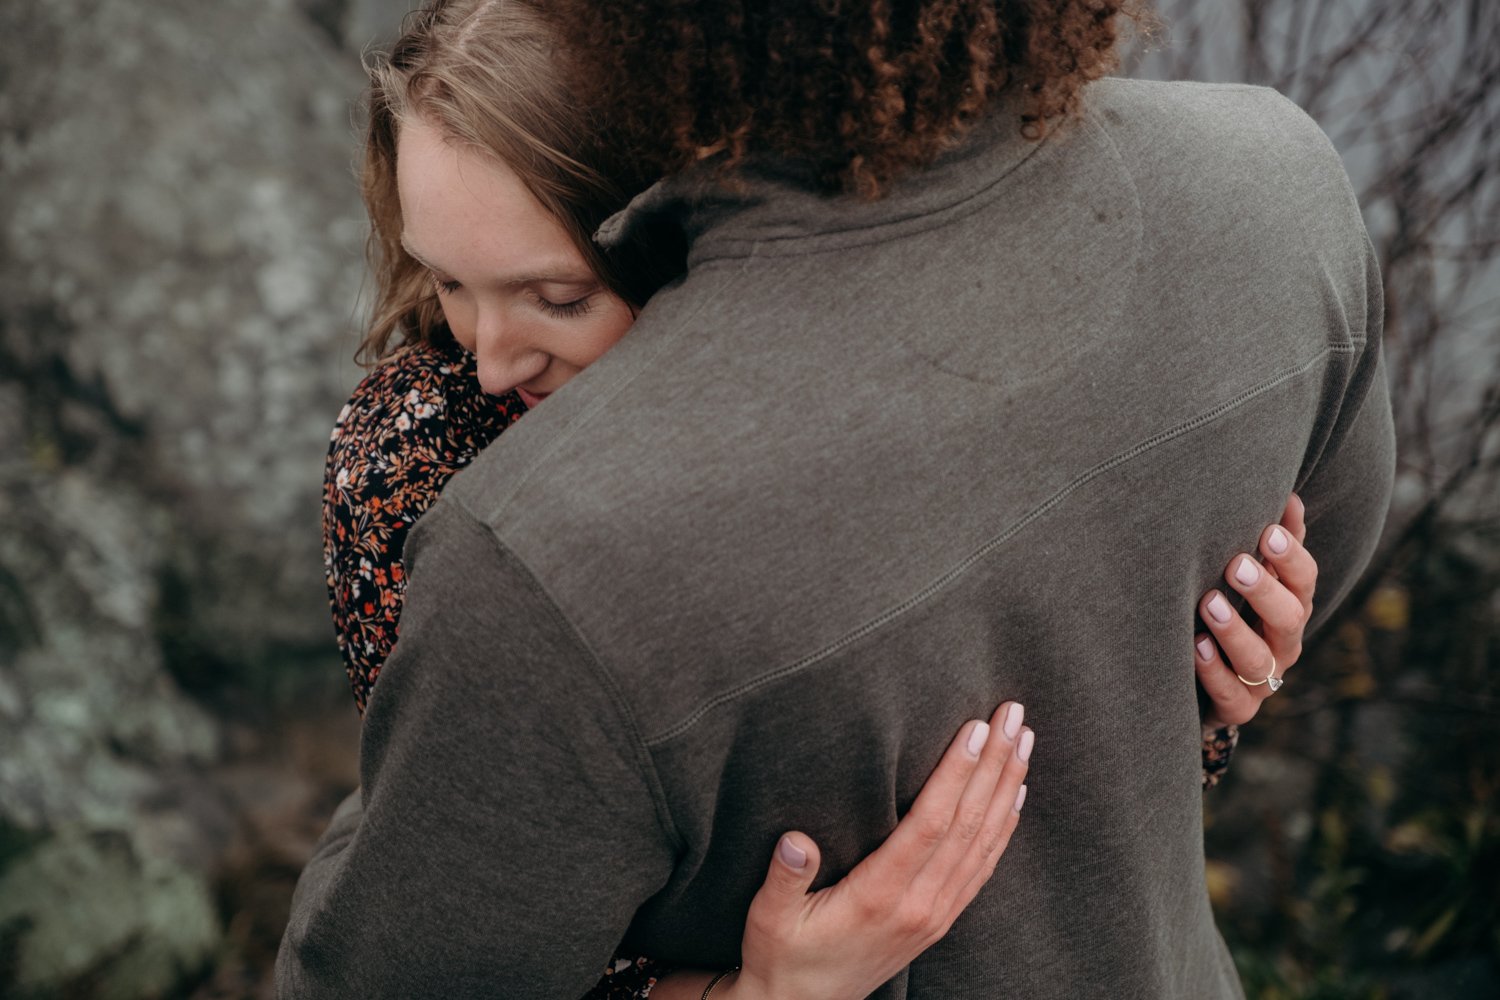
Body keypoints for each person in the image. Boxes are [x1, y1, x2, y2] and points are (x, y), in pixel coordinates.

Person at [279, 0, 1390, 995]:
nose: (484, 357)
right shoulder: (1279, 177)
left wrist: (1198, 684)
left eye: (558, 296)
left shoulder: (555, 552)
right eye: (446, 281)